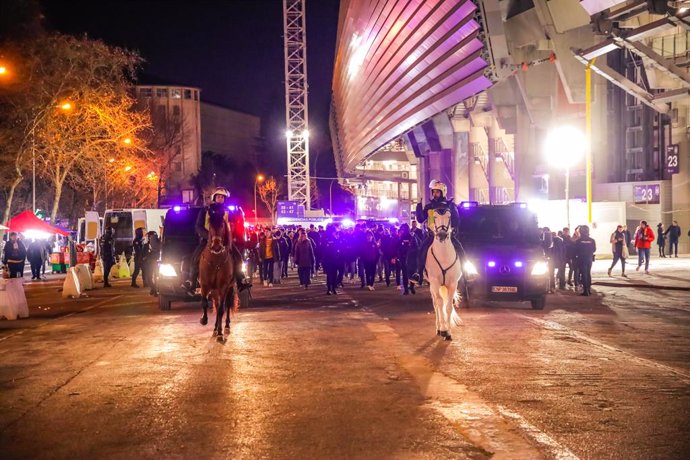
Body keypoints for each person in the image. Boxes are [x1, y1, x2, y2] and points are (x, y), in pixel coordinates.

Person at [183, 187, 250, 294]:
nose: (220, 198)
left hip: (225, 241)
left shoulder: (229, 211)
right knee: (194, 258)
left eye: (222, 197)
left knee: (238, 257)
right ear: (214, 198)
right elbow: (198, 226)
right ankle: (191, 281)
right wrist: (209, 237)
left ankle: (241, 280)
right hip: (207, 241)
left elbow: (233, 226)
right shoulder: (205, 210)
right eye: (218, 196)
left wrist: (230, 237)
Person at [410, 180, 465, 284]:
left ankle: (466, 273)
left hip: (448, 235)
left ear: (443, 192)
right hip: (432, 236)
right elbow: (421, 219)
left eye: (437, 192)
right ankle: (419, 273)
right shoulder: (429, 206)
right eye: (433, 192)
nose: (435, 194)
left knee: (460, 248)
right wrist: (418, 205)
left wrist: (450, 229)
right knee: (422, 249)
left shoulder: (451, 206)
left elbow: (456, 220)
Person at [574, 225, 596, 296]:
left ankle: (585, 290)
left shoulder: (578, 241)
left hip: (581, 259)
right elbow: (594, 249)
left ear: (581, 232)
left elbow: (576, 250)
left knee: (583, 274)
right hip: (589, 259)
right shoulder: (592, 240)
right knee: (588, 273)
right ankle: (589, 290)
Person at [397, 223, 418, 295]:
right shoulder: (401, 237)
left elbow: (416, 246)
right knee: (405, 274)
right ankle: (407, 288)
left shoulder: (412, 236)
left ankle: (411, 287)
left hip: (410, 258)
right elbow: (398, 247)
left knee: (410, 273)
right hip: (404, 257)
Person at [143, 231, 160, 296]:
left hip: (154, 263)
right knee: (149, 278)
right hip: (150, 263)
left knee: (155, 277)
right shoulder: (147, 245)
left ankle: (155, 290)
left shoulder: (158, 244)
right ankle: (153, 289)